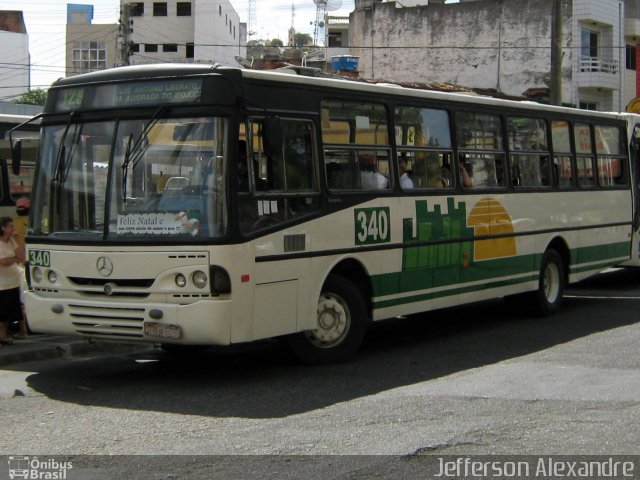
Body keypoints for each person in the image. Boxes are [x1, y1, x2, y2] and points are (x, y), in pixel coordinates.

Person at [0, 217, 26, 345]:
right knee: (3, 313)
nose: (13, 229)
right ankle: (2, 336)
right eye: (10, 226)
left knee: (14, 309)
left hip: (14, 282)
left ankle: (19, 332)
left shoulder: (11, 241)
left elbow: (22, 256)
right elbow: (3, 262)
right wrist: (15, 259)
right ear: (3, 228)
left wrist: (19, 238)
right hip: (3, 283)